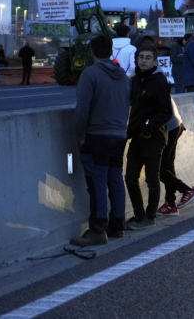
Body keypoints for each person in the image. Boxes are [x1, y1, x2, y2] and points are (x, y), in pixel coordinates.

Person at [70, 35, 130, 247]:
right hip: (119, 135)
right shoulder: (123, 75)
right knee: (115, 179)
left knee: (97, 183)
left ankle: (97, 230)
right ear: (110, 50)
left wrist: (80, 135)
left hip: (97, 136)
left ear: (92, 51)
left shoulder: (91, 74)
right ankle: (118, 225)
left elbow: (82, 110)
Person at [125, 45, 174, 230]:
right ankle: (139, 215)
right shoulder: (136, 80)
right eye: (141, 57)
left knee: (152, 178)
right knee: (130, 177)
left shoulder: (159, 81)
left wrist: (148, 127)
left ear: (155, 61)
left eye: (147, 58)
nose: (143, 60)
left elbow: (165, 111)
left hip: (153, 138)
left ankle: (149, 217)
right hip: (136, 137)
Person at [157, 96, 194, 216]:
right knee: (168, 166)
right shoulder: (156, 79)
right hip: (176, 124)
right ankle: (170, 204)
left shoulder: (144, 83)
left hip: (169, 128)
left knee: (158, 168)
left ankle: (186, 190)